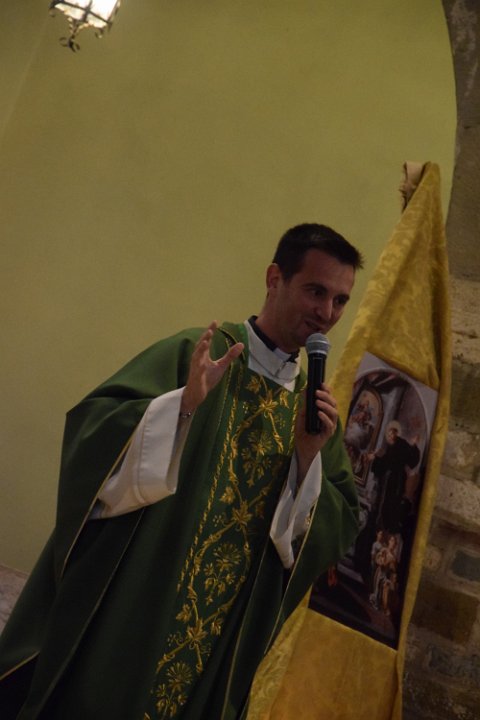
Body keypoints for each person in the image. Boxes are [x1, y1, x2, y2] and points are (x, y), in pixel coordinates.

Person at [0, 223, 363, 720]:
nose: (327, 313)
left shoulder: (315, 412)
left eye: (340, 300)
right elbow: (92, 433)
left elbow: (334, 525)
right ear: (274, 278)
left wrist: (307, 458)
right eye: (315, 291)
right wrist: (181, 410)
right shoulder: (199, 353)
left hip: (217, 637)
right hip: (138, 607)